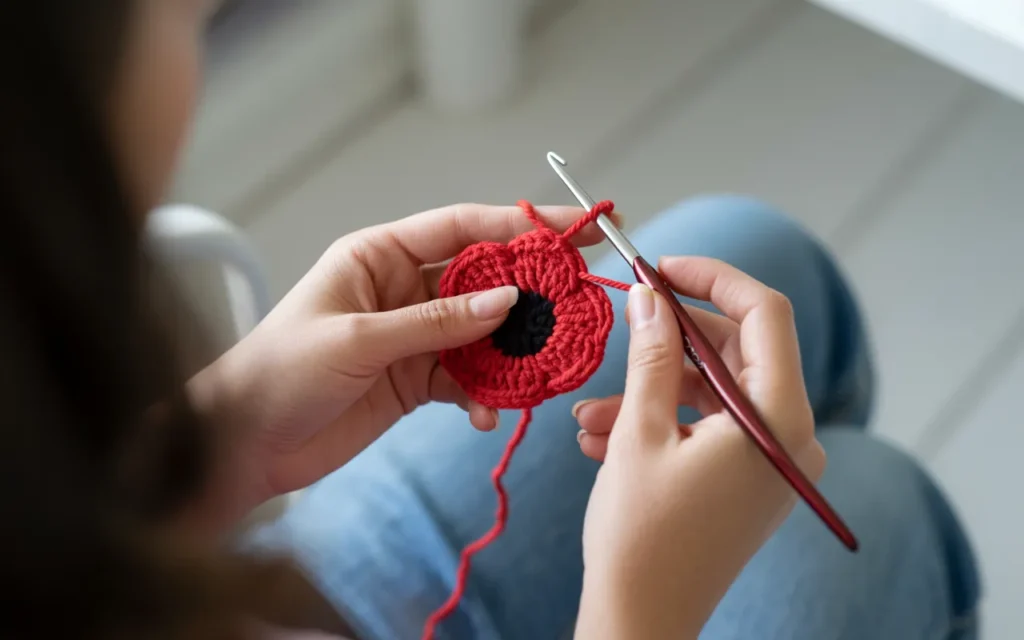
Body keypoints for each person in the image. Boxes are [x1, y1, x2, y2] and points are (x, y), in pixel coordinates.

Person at [0, 1, 980, 639]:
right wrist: (636, 612)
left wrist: (218, 442)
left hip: (252, 593)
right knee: (874, 508)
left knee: (754, 244)